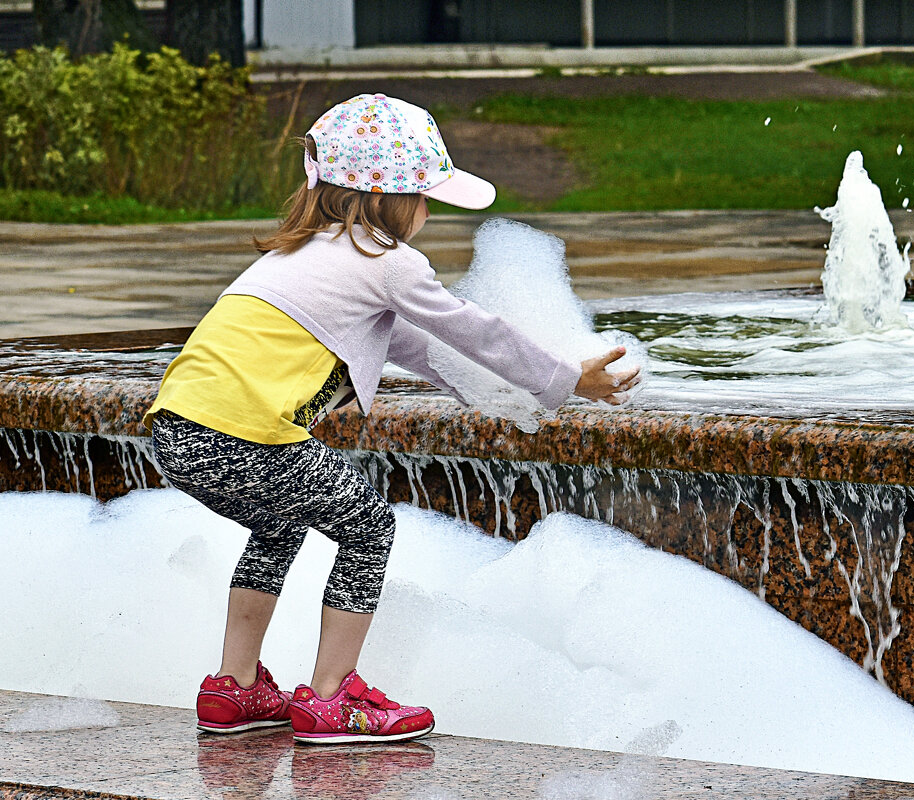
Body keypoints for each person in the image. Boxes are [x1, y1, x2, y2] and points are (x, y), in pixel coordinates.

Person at [144, 93, 640, 744]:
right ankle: (331, 699)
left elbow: (416, 345)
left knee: (278, 526)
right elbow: (471, 328)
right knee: (369, 526)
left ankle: (232, 690)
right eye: (426, 197)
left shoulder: (299, 254)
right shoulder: (388, 259)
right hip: (245, 433)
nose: (429, 212)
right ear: (390, 199)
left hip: (176, 427)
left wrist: (508, 401)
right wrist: (565, 378)